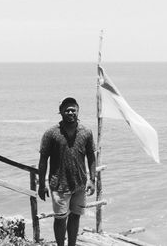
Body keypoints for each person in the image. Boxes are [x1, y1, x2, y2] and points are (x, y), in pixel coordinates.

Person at [38, 97, 96, 246]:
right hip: (58, 184)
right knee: (60, 218)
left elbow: (91, 157)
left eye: (73, 110)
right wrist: (41, 184)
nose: (70, 112)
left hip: (80, 183)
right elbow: (43, 159)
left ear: (78, 111)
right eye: (67, 110)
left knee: (75, 216)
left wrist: (92, 180)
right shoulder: (51, 133)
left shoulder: (86, 132)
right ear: (61, 112)